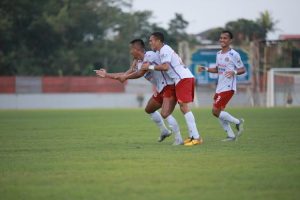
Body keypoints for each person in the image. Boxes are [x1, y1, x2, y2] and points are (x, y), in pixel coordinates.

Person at [95, 39, 183, 145]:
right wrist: (107, 75)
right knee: (149, 109)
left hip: (169, 86)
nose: (130, 52)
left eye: (131, 49)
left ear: (136, 49)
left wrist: (125, 77)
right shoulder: (137, 62)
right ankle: (164, 131)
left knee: (165, 113)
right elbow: (125, 74)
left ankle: (179, 138)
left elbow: (140, 73)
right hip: (161, 88)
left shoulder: (150, 56)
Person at [141, 32, 203, 146]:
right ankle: (193, 136)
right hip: (180, 79)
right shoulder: (161, 51)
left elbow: (165, 67)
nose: (150, 43)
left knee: (184, 107)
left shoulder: (164, 49)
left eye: (152, 40)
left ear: (158, 41)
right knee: (182, 107)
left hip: (183, 78)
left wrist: (149, 66)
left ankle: (197, 137)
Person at [200, 30, 245, 141]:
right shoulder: (219, 54)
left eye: (225, 38)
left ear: (230, 40)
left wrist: (234, 72)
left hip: (229, 87)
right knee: (218, 112)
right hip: (220, 87)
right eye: (221, 38)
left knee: (215, 111)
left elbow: (242, 69)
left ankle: (238, 122)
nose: (222, 40)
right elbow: (217, 69)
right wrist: (205, 69)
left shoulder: (234, 54)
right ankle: (231, 135)